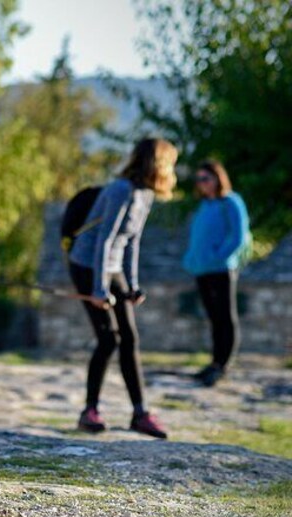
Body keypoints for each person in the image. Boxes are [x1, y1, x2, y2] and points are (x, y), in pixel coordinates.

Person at [68, 138, 178, 439]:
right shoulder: (120, 190)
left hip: (113, 266)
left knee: (129, 337)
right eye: (171, 163)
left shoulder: (146, 194)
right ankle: (89, 411)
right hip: (87, 265)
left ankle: (140, 413)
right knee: (108, 338)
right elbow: (104, 239)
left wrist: (132, 285)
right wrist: (99, 289)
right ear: (158, 163)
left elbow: (132, 240)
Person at [182, 160, 249, 387]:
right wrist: (191, 259)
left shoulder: (230, 202)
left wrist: (218, 256)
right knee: (212, 317)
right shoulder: (204, 205)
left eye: (206, 178)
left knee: (225, 317)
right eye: (199, 179)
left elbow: (239, 237)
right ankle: (213, 362)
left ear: (217, 178)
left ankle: (222, 365)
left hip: (221, 269)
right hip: (201, 269)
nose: (202, 184)